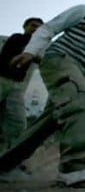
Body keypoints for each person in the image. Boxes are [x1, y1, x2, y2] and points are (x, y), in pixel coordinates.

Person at [1, 0, 85, 186]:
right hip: (60, 60)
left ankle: (5, 165)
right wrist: (30, 51)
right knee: (81, 102)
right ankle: (74, 168)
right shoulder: (84, 11)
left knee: (46, 124)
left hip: (80, 73)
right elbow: (49, 28)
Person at [0, 17, 43, 175]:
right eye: (32, 26)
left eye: (39, 28)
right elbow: (29, 53)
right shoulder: (18, 38)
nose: (35, 29)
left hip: (16, 87)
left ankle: (10, 162)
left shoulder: (36, 47)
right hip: (2, 79)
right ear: (25, 26)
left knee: (17, 124)